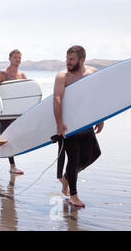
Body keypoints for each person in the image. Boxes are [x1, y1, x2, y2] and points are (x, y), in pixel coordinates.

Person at [53, 45, 103, 208]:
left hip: (86, 122)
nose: (68, 62)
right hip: (70, 126)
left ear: (82, 60)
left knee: (94, 154)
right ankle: (73, 195)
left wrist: (100, 117)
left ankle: (67, 177)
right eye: (67, 58)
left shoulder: (92, 73)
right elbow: (57, 99)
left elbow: (97, 96)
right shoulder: (63, 76)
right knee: (73, 159)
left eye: (72, 59)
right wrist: (59, 123)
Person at [0, 49, 25, 174]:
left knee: (7, 138)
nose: (17, 60)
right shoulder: (2, 74)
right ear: (9, 59)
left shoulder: (22, 76)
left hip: (16, 113)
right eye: (15, 57)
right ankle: (12, 166)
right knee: (7, 138)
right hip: (5, 113)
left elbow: (26, 95)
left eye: (19, 57)